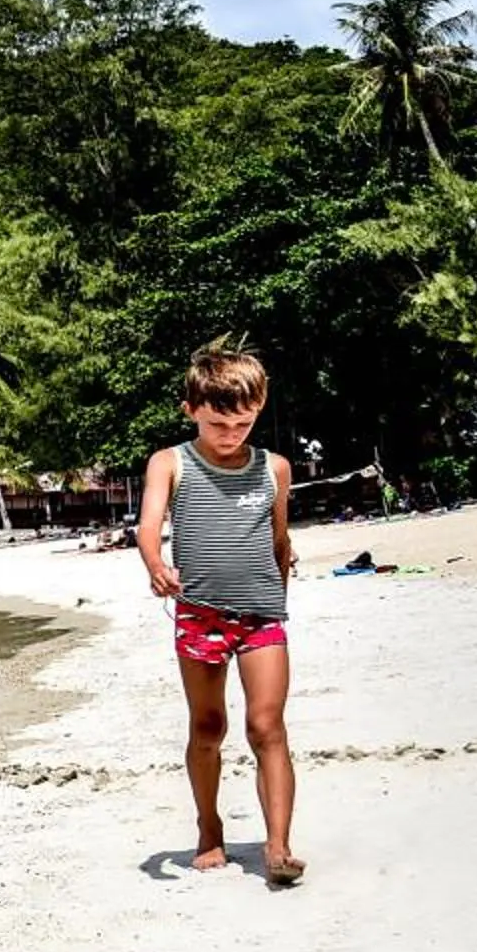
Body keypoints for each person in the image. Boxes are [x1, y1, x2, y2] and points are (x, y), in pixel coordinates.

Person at [134, 341, 302, 885]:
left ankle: (278, 846)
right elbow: (148, 527)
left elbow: (278, 538)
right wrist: (157, 564)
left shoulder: (275, 468)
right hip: (199, 614)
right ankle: (209, 827)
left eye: (243, 424)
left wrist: (279, 588)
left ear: (258, 410)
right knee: (209, 726)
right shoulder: (170, 462)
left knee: (266, 725)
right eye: (217, 425)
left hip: (261, 617)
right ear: (191, 411)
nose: (231, 436)